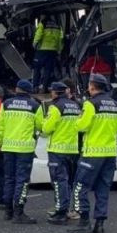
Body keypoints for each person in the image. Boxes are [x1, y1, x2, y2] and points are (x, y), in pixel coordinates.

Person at [68, 73, 117, 233]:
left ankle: (84, 221)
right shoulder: (116, 105)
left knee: (79, 187)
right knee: (103, 189)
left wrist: (78, 120)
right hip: (110, 154)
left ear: (92, 87)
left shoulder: (91, 104)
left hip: (92, 153)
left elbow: (82, 126)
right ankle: (99, 225)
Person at [0, 79, 44, 224]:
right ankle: (19, 212)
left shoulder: (6, 104)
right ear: (29, 91)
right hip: (25, 148)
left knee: (9, 179)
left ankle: (8, 211)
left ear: (16, 89)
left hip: (8, 147)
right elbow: (40, 126)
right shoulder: (35, 106)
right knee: (22, 181)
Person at [42, 81, 82, 225]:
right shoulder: (76, 106)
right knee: (68, 182)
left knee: (59, 182)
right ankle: (68, 208)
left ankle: (60, 212)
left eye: (51, 91)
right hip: (72, 149)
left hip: (57, 149)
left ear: (55, 93)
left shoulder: (55, 107)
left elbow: (47, 128)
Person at [31, 17, 64, 92]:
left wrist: (34, 44)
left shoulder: (43, 23)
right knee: (48, 70)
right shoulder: (58, 25)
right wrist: (59, 49)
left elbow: (38, 34)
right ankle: (44, 87)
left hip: (42, 50)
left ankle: (35, 87)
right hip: (52, 51)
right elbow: (60, 38)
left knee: (37, 68)